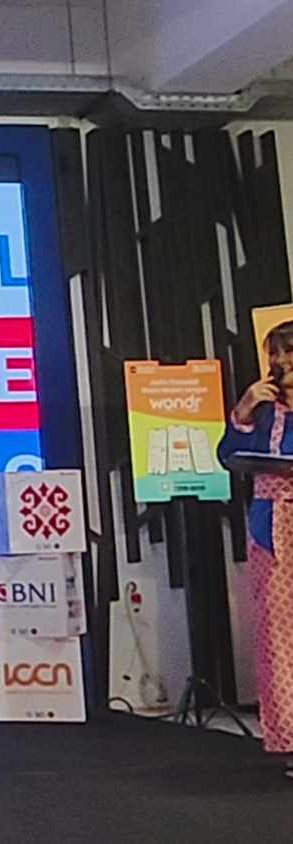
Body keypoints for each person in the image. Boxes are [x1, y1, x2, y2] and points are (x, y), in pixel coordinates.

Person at [218, 320, 293, 781]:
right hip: (271, 525)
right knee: (278, 637)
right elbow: (228, 454)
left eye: (288, 352)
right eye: (274, 355)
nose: (280, 363)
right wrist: (244, 410)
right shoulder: (263, 410)